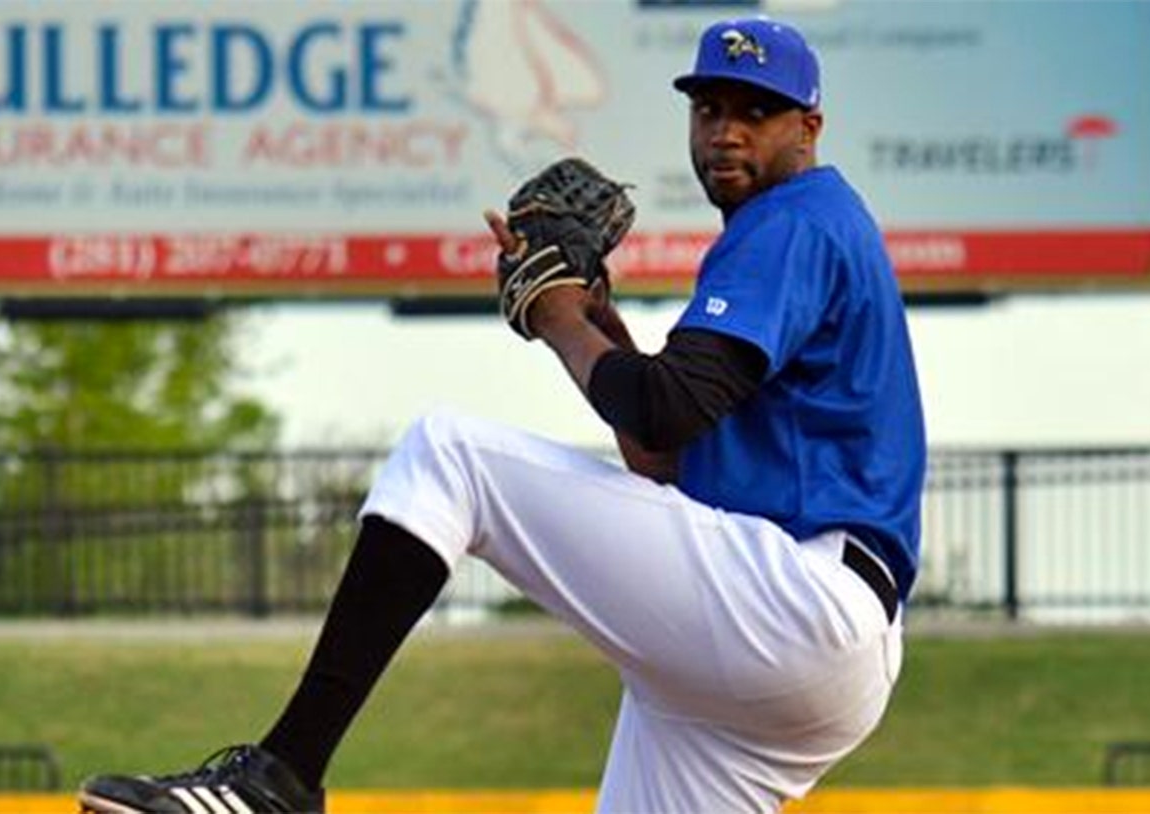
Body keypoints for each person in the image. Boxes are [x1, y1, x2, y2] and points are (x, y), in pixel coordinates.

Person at [78, 14, 925, 814]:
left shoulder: (796, 218)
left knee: (449, 456)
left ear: (810, 126)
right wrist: (596, 322)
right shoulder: (806, 231)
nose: (727, 131)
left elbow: (664, 408)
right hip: (799, 646)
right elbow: (662, 458)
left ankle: (283, 774)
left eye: (758, 110)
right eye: (709, 109)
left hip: (796, 603)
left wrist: (557, 319)